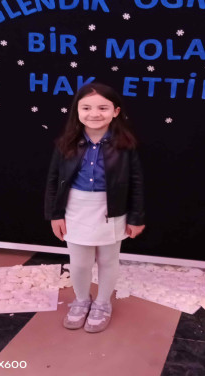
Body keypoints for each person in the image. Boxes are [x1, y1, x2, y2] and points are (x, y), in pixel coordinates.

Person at [45, 82, 145, 333]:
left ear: (115, 111)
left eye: (103, 107)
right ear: (77, 111)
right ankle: (81, 300)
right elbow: (54, 179)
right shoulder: (66, 143)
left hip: (111, 209)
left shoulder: (125, 145)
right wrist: (55, 214)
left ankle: (102, 303)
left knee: (108, 260)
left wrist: (136, 217)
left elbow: (136, 182)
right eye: (86, 107)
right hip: (76, 209)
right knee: (79, 263)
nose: (94, 113)